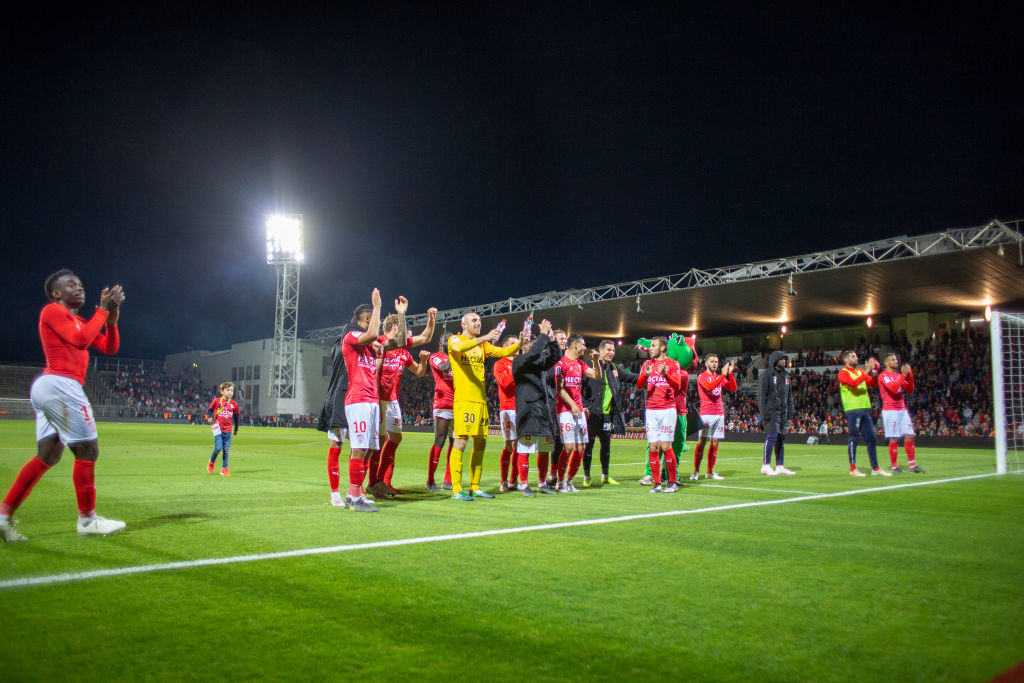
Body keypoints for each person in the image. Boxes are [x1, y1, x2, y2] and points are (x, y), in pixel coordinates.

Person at [0, 270, 126, 541]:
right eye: (71, 285)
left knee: (48, 455)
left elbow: (109, 347)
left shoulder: (79, 320)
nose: (79, 288)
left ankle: (3, 515)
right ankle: (87, 520)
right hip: (61, 384)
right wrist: (102, 311)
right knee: (88, 450)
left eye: (81, 284)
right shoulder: (52, 311)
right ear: (56, 293)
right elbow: (80, 340)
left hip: (52, 387)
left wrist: (111, 321)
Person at [339, 289, 408, 512]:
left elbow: (401, 341)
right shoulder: (351, 337)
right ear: (367, 320)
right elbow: (369, 335)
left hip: (372, 401)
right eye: (373, 319)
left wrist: (402, 315)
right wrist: (378, 306)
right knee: (359, 448)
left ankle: (356, 493)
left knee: (368, 449)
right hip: (358, 399)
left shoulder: (372, 346)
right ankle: (354, 496)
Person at [447, 313, 521, 501]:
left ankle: (475, 487)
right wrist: (485, 338)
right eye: (474, 320)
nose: (478, 323)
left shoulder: (483, 345)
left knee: (481, 443)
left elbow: (504, 352)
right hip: (464, 400)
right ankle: (456, 489)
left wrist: (520, 343)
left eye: (479, 321)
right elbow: (458, 347)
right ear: (463, 323)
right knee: (461, 442)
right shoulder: (455, 339)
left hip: (481, 401)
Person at [367, 310, 435, 498]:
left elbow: (420, 371)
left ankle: (384, 481)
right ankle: (373, 483)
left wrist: (431, 319)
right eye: (405, 331)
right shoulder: (380, 342)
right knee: (378, 442)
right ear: (395, 327)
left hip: (393, 401)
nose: (408, 337)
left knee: (395, 438)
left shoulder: (403, 352)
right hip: (378, 399)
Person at [581, 339, 641, 486]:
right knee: (588, 446)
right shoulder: (589, 365)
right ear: (600, 351)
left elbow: (631, 377)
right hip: (591, 413)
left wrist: (647, 375)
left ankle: (605, 475)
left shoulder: (614, 368)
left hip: (607, 414)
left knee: (606, 446)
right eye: (609, 350)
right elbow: (580, 387)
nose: (612, 353)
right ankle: (587, 476)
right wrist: (582, 405)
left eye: (613, 350)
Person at [512, 319, 560, 496]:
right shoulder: (518, 362)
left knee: (545, 448)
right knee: (525, 447)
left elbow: (556, 357)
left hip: (544, 409)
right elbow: (534, 352)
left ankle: (542, 483)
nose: (540, 354)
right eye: (535, 350)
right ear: (526, 350)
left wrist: (552, 339)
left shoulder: (540, 365)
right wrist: (542, 335)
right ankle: (524, 484)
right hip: (527, 410)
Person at [552, 335, 602, 492]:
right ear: (574, 346)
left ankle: (570, 481)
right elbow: (559, 388)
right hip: (565, 410)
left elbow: (597, 376)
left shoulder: (580, 363)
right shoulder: (560, 364)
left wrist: (595, 361)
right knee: (568, 446)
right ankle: (559, 482)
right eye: (583, 345)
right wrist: (572, 404)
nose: (585, 348)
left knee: (581, 448)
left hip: (579, 410)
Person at [636, 337, 684, 493]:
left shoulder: (672, 364)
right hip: (651, 410)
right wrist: (645, 375)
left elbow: (677, 386)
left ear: (663, 348)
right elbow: (639, 385)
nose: (650, 348)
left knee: (665, 446)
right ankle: (657, 484)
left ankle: (671, 482)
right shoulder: (647, 364)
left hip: (667, 409)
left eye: (653, 345)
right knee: (653, 447)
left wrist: (666, 375)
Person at [837, 350, 891, 477]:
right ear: (846, 360)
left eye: (856, 355)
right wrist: (867, 370)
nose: (856, 358)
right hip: (853, 409)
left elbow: (872, 383)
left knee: (871, 437)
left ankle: (875, 468)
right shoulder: (843, 373)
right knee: (854, 438)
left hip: (865, 408)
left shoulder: (859, 372)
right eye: (853, 356)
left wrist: (875, 372)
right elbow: (854, 383)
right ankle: (853, 469)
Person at [690, 354, 737, 481]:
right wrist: (723, 375)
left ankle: (710, 472)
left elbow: (733, 388)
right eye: (712, 361)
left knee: (715, 442)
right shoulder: (702, 377)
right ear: (706, 363)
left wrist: (730, 374)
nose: (714, 364)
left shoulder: (718, 377)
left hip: (718, 414)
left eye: (716, 361)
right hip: (706, 414)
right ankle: (696, 471)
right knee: (702, 442)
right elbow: (709, 387)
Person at [878, 353, 926, 474]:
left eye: (896, 359)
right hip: (890, 410)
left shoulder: (898, 375)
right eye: (893, 359)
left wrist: (909, 375)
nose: (896, 361)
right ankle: (894, 466)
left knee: (910, 434)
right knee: (894, 438)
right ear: (886, 363)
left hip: (902, 409)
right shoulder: (883, 376)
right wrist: (904, 375)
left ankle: (912, 465)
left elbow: (910, 389)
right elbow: (893, 388)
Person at [426, 332, 456, 492]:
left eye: (450, 340)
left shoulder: (457, 358)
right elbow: (443, 367)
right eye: (445, 339)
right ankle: (430, 480)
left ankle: (448, 480)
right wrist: (456, 352)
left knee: (455, 443)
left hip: (458, 404)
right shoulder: (436, 357)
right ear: (441, 342)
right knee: (440, 440)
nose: (447, 341)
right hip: (443, 403)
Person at [758, 350, 795, 475]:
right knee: (772, 436)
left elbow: (789, 396)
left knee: (781, 439)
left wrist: (790, 411)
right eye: (781, 358)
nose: (784, 360)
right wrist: (764, 414)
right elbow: (761, 396)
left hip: (783, 412)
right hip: (771, 412)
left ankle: (779, 465)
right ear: (774, 360)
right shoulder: (766, 375)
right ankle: (765, 465)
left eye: (785, 358)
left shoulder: (786, 376)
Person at [493, 335, 520, 492]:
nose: (516, 346)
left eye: (517, 344)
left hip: (522, 407)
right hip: (508, 408)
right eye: (512, 344)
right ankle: (503, 481)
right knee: (509, 445)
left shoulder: (520, 362)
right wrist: (517, 367)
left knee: (520, 446)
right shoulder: (500, 364)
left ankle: (514, 480)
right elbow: (505, 383)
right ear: (505, 347)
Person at [542, 329, 568, 487]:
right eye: (561, 338)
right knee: (551, 439)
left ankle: (557, 474)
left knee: (562, 440)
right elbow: (548, 377)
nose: (564, 341)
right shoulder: (550, 359)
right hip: (552, 404)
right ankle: (547, 475)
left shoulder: (568, 359)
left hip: (565, 405)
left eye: (565, 338)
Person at [206, 381, 240, 476]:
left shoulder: (234, 404)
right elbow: (209, 410)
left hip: (228, 430)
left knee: (226, 450)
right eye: (228, 390)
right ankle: (211, 462)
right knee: (218, 448)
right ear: (222, 391)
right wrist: (209, 417)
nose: (230, 392)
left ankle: (224, 469)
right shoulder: (217, 401)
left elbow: (236, 417)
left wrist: (236, 428)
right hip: (218, 429)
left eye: (232, 390)